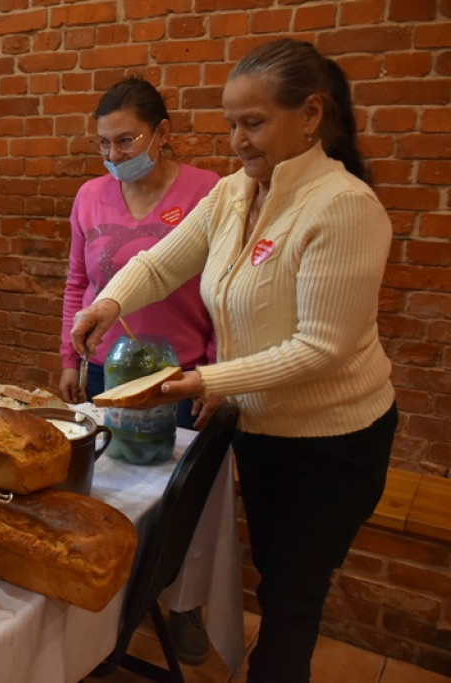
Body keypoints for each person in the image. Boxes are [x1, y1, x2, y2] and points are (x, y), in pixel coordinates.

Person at [71, 39, 398, 683]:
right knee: (276, 575)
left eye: (253, 123)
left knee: (290, 601)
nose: (238, 141)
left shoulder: (344, 207)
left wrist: (197, 380)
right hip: (264, 429)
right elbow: (164, 261)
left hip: (335, 442)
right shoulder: (233, 193)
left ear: (310, 114)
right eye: (231, 124)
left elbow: (320, 348)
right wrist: (107, 304)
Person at [58, 76, 219, 666]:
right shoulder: (90, 197)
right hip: (109, 371)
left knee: (180, 503)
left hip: (182, 378)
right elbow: (80, 283)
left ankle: (184, 605)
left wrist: (219, 374)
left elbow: (224, 292)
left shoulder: (211, 192)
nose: (113, 157)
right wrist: (70, 357)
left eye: (126, 142)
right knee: (114, 489)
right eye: (103, 145)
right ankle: (114, 601)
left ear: (162, 134)